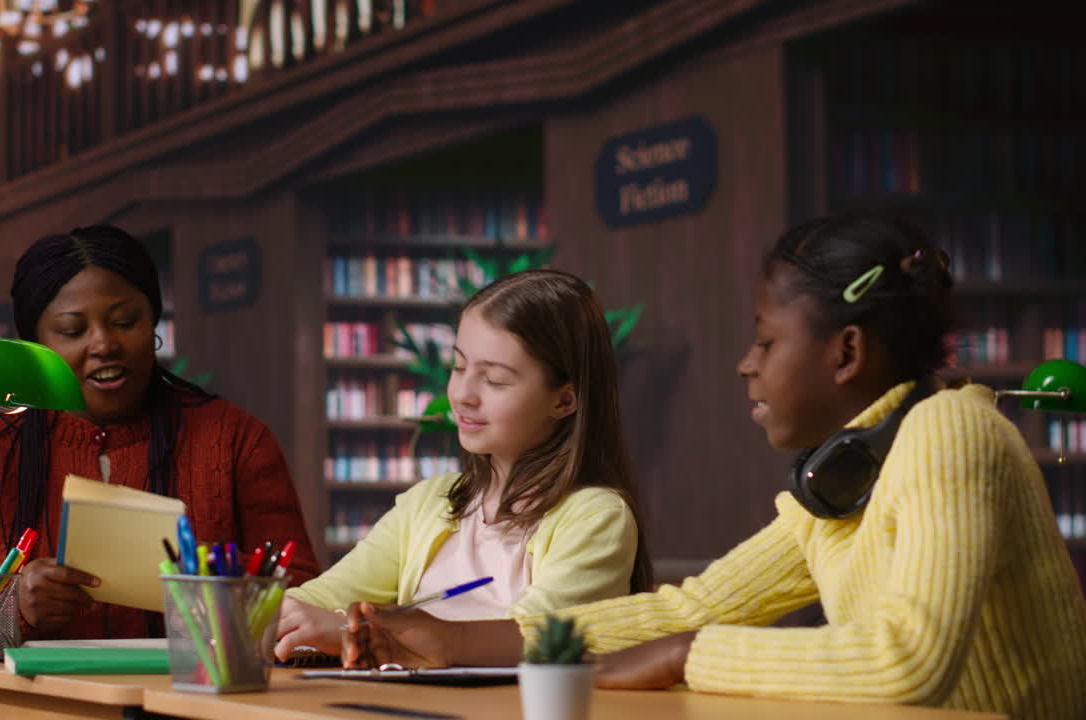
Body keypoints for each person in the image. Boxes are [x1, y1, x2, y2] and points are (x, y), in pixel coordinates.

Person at [341, 215, 1086, 719]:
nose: (745, 365)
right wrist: (453, 642)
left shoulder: (949, 429)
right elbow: (684, 607)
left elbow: (907, 661)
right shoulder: (848, 478)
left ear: (846, 352)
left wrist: (684, 656)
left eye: (765, 341)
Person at [0, 225, 320, 640]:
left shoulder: (234, 438)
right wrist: (9, 603)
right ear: (35, 346)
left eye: (126, 321)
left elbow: (307, 602)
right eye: (73, 331)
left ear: (153, 324)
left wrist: (214, 586)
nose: (104, 344)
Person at [274, 269, 653, 661]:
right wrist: (273, 617)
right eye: (459, 367)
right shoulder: (429, 503)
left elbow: (536, 641)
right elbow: (319, 599)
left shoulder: (596, 516)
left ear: (564, 401)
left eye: (494, 379)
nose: (462, 394)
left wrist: (349, 632)